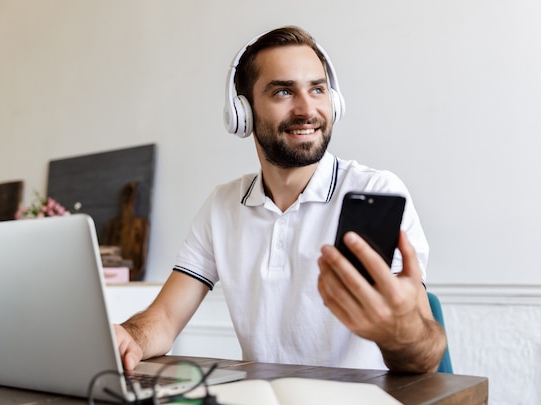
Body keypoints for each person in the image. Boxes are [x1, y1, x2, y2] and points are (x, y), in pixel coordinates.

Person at [116, 26, 446, 373]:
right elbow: (166, 318)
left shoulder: (376, 192)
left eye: (317, 89)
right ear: (242, 113)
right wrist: (130, 337)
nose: (307, 109)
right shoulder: (222, 206)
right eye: (284, 91)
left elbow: (424, 356)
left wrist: (402, 332)